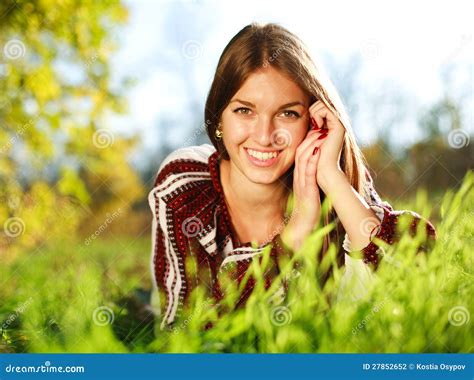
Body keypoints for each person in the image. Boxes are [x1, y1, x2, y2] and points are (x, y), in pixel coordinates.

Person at [148, 23, 436, 330]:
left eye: (288, 113)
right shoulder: (186, 184)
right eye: (245, 110)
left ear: (312, 122)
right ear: (219, 116)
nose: (264, 136)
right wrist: (293, 237)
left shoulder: (330, 179)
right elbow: (183, 330)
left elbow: (415, 279)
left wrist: (332, 177)